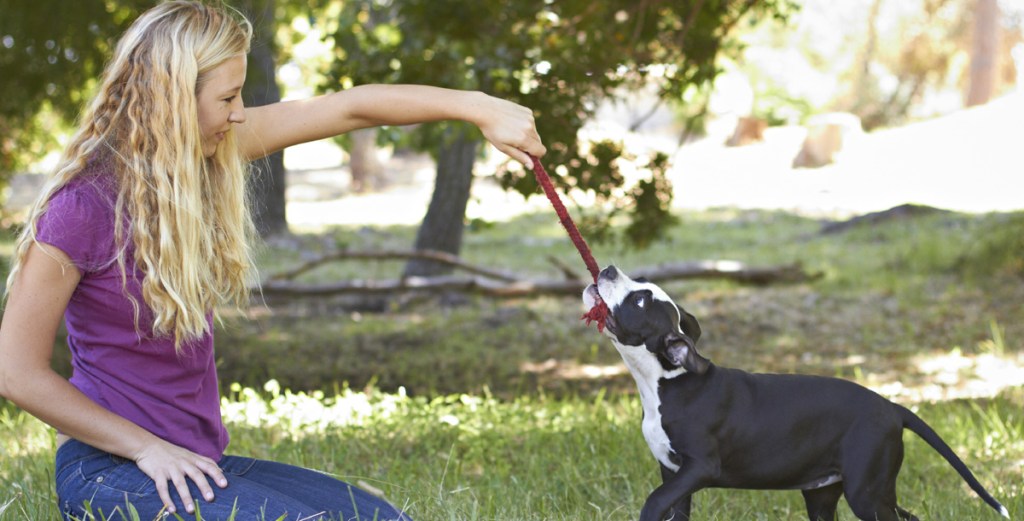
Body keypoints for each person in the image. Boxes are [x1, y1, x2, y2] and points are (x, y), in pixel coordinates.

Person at [0, 1, 545, 520]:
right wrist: (146, 449)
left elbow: (349, 106)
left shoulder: (203, 153)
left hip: (197, 466)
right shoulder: (79, 208)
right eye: (228, 98)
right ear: (171, 99)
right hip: (110, 471)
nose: (239, 115)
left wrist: (476, 105)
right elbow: (16, 371)